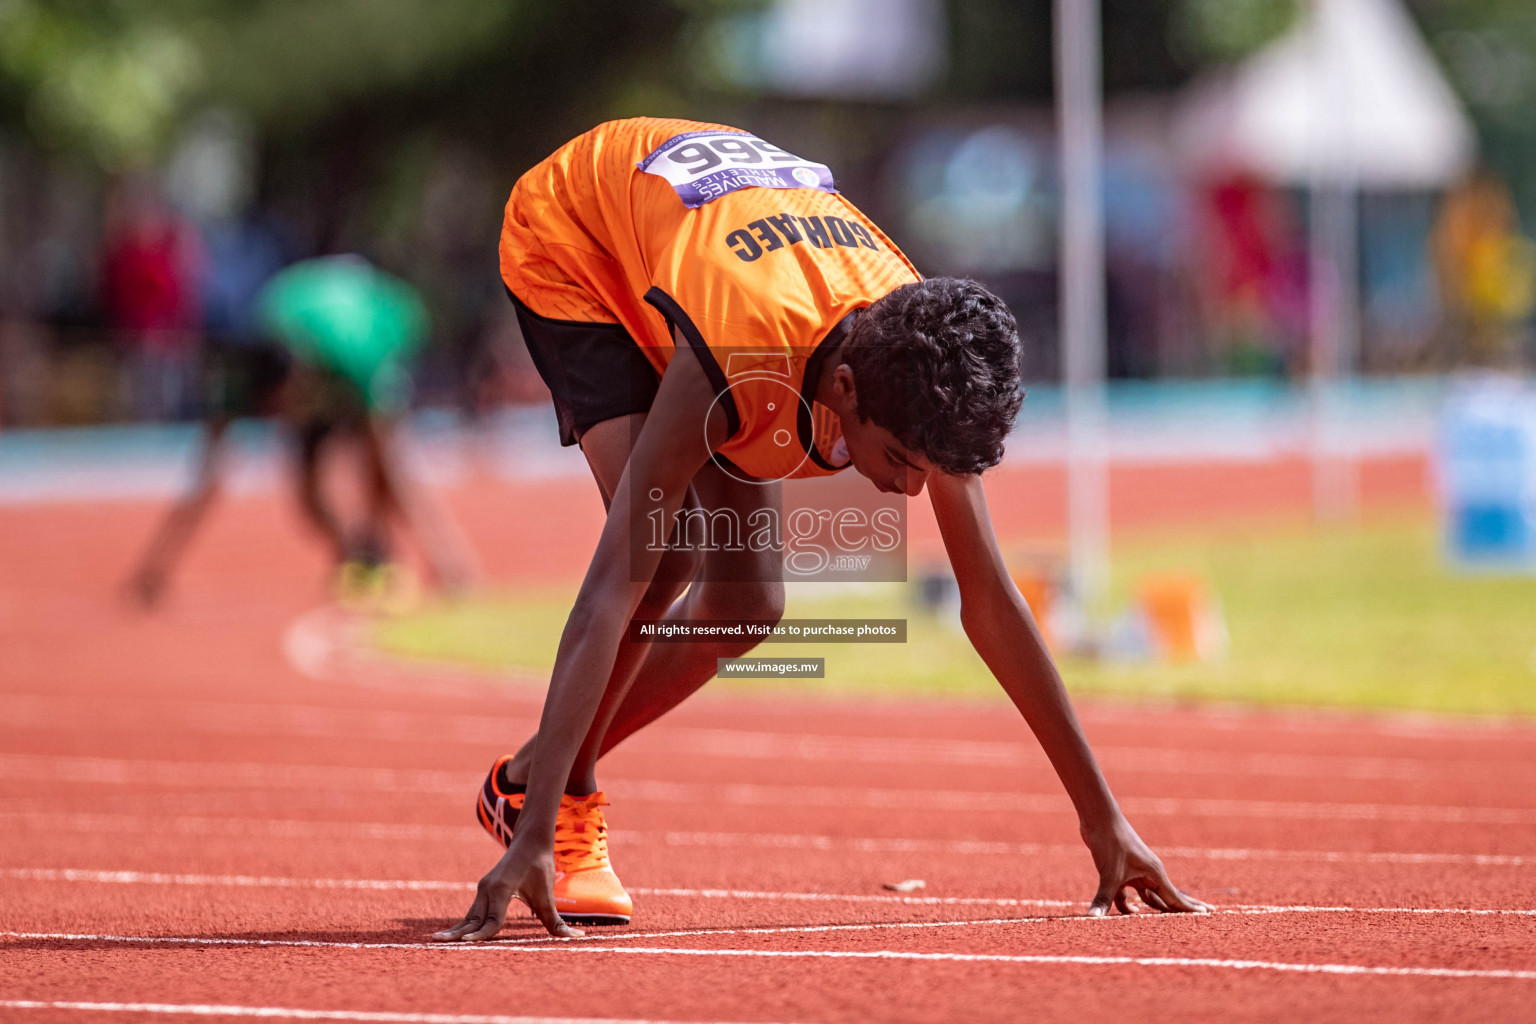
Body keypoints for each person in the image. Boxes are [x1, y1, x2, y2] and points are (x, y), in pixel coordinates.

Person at [434, 117, 1209, 942]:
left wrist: (1104, 820)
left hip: (710, 257)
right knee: (663, 559)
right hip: (578, 240)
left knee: (748, 605)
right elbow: (604, 594)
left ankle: (522, 777)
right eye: (902, 461)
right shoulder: (734, 356)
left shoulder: (924, 363)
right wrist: (533, 839)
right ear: (843, 386)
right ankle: (561, 803)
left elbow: (990, 600)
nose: (915, 492)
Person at [128, 255, 477, 607]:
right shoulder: (245, 375)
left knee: (386, 471)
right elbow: (207, 475)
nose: (285, 418)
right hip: (315, 314)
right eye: (276, 412)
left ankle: (447, 564)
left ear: (303, 379)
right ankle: (362, 554)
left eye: (289, 406)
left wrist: (445, 559)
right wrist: (157, 564)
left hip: (377, 322)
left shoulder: (356, 359)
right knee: (309, 499)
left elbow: (390, 461)